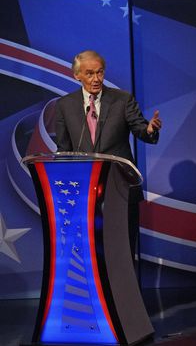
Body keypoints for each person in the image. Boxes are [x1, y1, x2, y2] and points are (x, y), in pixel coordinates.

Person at [54, 50, 162, 258]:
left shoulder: (122, 99)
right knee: (90, 252)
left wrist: (150, 130)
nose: (96, 79)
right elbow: (63, 149)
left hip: (119, 187)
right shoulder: (65, 105)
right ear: (77, 75)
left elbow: (142, 130)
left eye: (100, 73)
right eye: (90, 73)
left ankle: (123, 291)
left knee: (123, 251)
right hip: (84, 190)